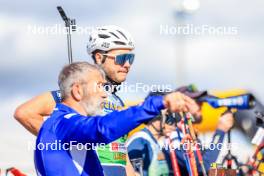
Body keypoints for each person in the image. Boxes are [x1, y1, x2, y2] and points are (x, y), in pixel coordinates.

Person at [34, 62, 196, 176]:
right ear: (77, 90)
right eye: (99, 86)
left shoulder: (57, 123)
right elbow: (101, 129)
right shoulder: (63, 122)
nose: (105, 94)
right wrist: (158, 103)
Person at [14, 25, 137, 176]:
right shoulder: (80, 93)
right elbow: (25, 112)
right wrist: (65, 145)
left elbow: (121, 150)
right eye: (122, 58)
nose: (127, 64)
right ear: (99, 57)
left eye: (131, 58)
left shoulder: (117, 100)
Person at [127, 87, 234, 176]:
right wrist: (220, 130)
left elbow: (205, 170)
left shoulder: (156, 142)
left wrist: (236, 173)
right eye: (172, 117)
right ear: (158, 115)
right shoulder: (140, 141)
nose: (175, 124)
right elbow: (203, 167)